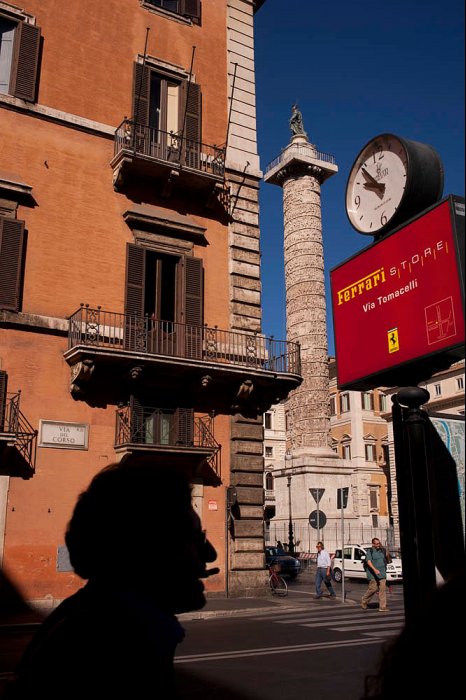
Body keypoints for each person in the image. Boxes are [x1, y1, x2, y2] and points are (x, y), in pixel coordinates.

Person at [5, 462, 219, 699]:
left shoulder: (86, 624)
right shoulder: (111, 650)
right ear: (146, 548)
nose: (210, 554)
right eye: (193, 536)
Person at [361, 538, 391, 612]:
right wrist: (375, 570)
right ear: (373, 544)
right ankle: (364, 601)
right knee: (373, 589)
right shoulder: (370, 551)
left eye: (379, 543)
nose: (378, 545)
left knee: (382, 590)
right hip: (373, 574)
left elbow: (388, 559)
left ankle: (382, 607)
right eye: (376, 544)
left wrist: (387, 552)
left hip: (382, 573)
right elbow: (368, 562)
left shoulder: (382, 550)